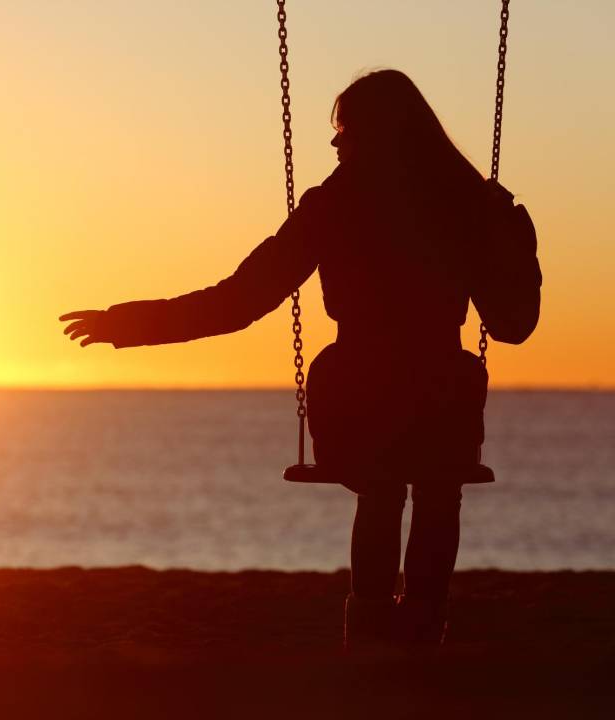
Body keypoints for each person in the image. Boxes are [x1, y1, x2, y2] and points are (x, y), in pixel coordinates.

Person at [59, 69, 541, 649]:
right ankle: (421, 633)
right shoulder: (464, 204)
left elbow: (237, 302)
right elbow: (514, 325)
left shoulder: (334, 207)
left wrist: (130, 324)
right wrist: (513, 239)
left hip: (362, 395)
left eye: (344, 131)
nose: (335, 144)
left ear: (377, 134)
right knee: (437, 490)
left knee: (384, 488)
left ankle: (371, 639)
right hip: (441, 394)